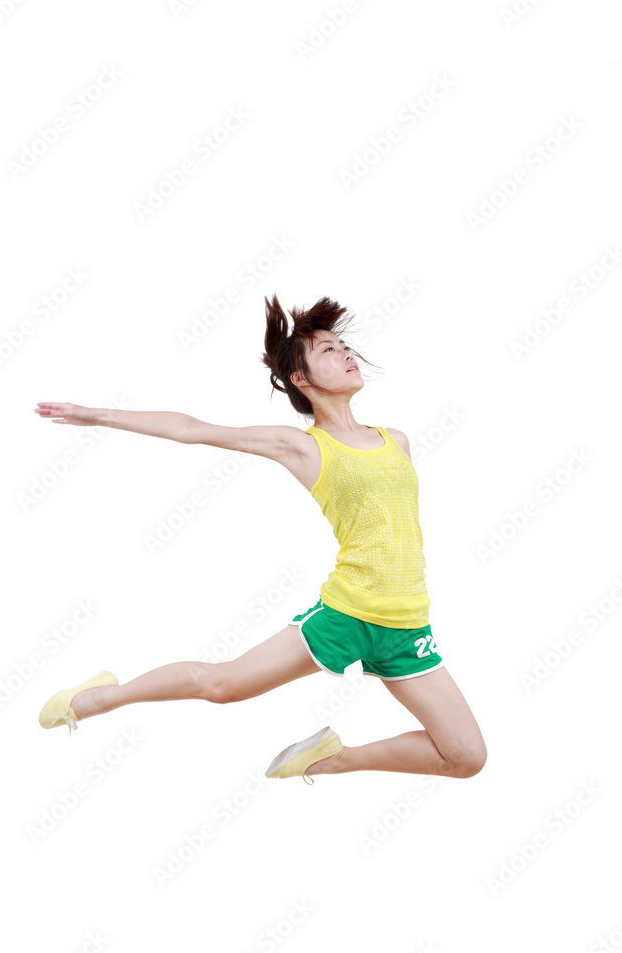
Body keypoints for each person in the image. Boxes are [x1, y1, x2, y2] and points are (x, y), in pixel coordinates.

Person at [36, 293, 487, 786]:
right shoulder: (302, 446)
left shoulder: (395, 439)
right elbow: (193, 429)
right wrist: (99, 414)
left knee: (465, 757)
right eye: (328, 351)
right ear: (302, 379)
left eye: (343, 346)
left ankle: (325, 760)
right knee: (222, 685)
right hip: (348, 613)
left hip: (408, 623)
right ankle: (94, 698)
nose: (345, 354)